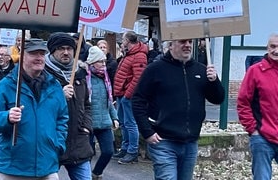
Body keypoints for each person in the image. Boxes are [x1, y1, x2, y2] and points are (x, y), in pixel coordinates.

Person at [132, 39, 225, 180]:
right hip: (163, 141)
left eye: (189, 42)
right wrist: (147, 132)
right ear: (170, 45)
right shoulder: (155, 69)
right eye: (182, 41)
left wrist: (214, 81)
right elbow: (138, 100)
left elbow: (217, 99)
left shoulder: (200, 69)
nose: (187, 45)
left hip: (190, 142)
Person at [0, 39, 68, 179]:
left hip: (47, 166)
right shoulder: (6, 85)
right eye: (34, 53)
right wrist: (7, 117)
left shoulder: (54, 86)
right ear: (22, 56)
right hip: (14, 168)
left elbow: (62, 118)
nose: (39, 58)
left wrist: (57, 145)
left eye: (42, 54)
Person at [44, 32, 94, 180]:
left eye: (69, 48)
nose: (66, 52)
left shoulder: (79, 74)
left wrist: (86, 127)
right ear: (53, 51)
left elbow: (87, 105)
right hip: (52, 143)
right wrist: (60, 96)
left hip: (79, 144)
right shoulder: (43, 75)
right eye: (61, 48)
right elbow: (37, 106)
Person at [237, 33, 278, 180]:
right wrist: (253, 130)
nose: (276, 51)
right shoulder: (255, 71)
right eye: (273, 46)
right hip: (262, 137)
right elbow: (243, 102)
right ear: (267, 48)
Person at [113, 30, 148, 164]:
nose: (122, 41)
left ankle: (132, 151)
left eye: (123, 39)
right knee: (123, 122)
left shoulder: (139, 55)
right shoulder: (129, 54)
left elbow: (138, 78)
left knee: (130, 123)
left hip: (127, 95)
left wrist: (128, 95)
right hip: (122, 94)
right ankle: (125, 147)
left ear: (128, 40)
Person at [85, 46, 119, 179]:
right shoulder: (84, 78)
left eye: (104, 62)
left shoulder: (105, 78)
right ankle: (85, 176)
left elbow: (109, 100)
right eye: (101, 62)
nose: (104, 65)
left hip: (104, 121)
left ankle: (96, 173)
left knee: (108, 151)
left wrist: (114, 117)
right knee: (88, 153)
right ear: (92, 63)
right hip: (88, 123)